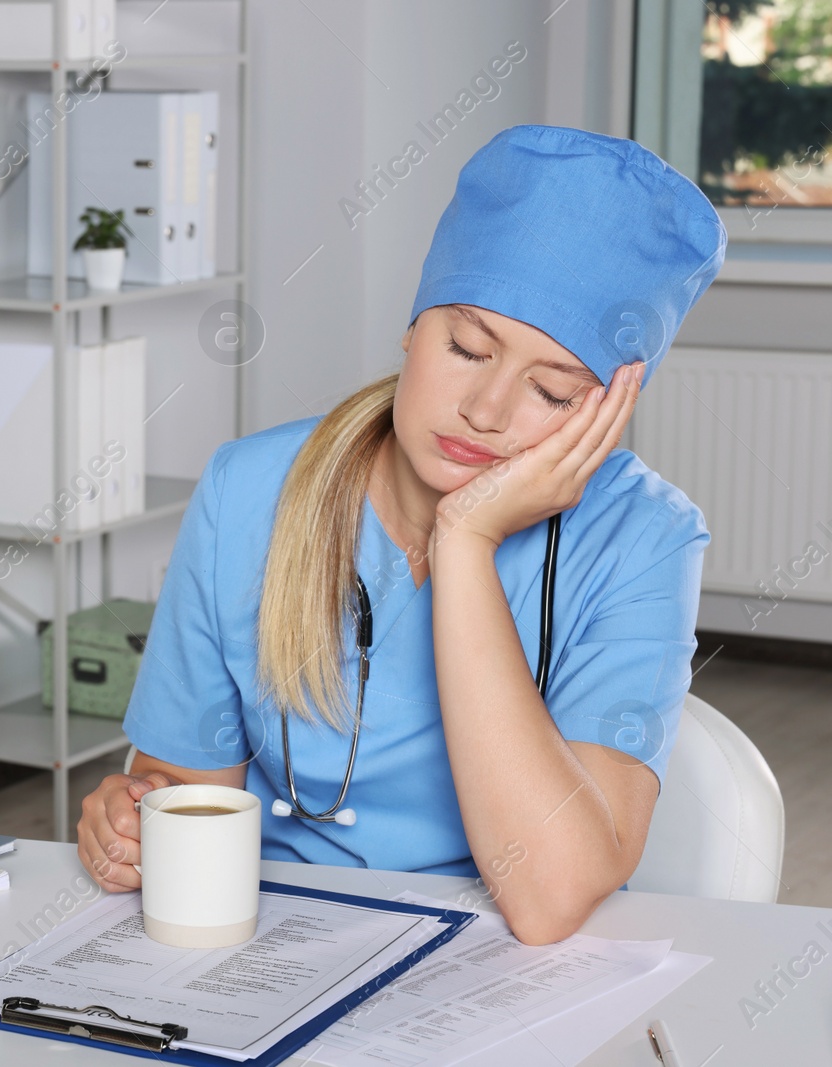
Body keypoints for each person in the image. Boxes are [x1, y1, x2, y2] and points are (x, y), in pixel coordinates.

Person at [76, 124, 726, 946]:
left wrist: (465, 545)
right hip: (267, 944)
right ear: (413, 326)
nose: (484, 413)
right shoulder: (249, 491)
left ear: (607, 414)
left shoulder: (646, 541)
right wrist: (128, 820)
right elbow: (184, 783)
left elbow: (550, 897)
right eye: (465, 346)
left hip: (498, 968)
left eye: (553, 391)